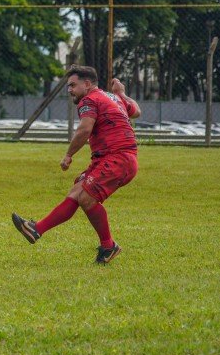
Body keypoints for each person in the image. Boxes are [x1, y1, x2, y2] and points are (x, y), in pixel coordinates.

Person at [11, 65, 142, 264]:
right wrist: (121, 93)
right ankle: (36, 229)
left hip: (118, 159)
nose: (69, 90)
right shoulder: (112, 97)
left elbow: (84, 129)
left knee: (87, 198)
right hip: (114, 158)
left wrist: (68, 155)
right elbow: (136, 111)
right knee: (77, 192)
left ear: (87, 84)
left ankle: (109, 246)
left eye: (73, 85)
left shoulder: (89, 100)